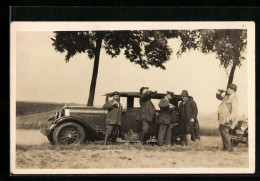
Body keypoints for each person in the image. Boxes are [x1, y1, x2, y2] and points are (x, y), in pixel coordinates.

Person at [216, 83, 238, 151]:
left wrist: (230, 119)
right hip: (222, 119)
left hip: (227, 119)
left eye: (228, 89)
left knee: (225, 133)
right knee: (223, 133)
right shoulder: (227, 97)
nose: (227, 90)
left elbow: (234, 110)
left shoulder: (234, 98)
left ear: (232, 90)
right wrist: (219, 93)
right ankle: (225, 148)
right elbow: (219, 97)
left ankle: (228, 149)